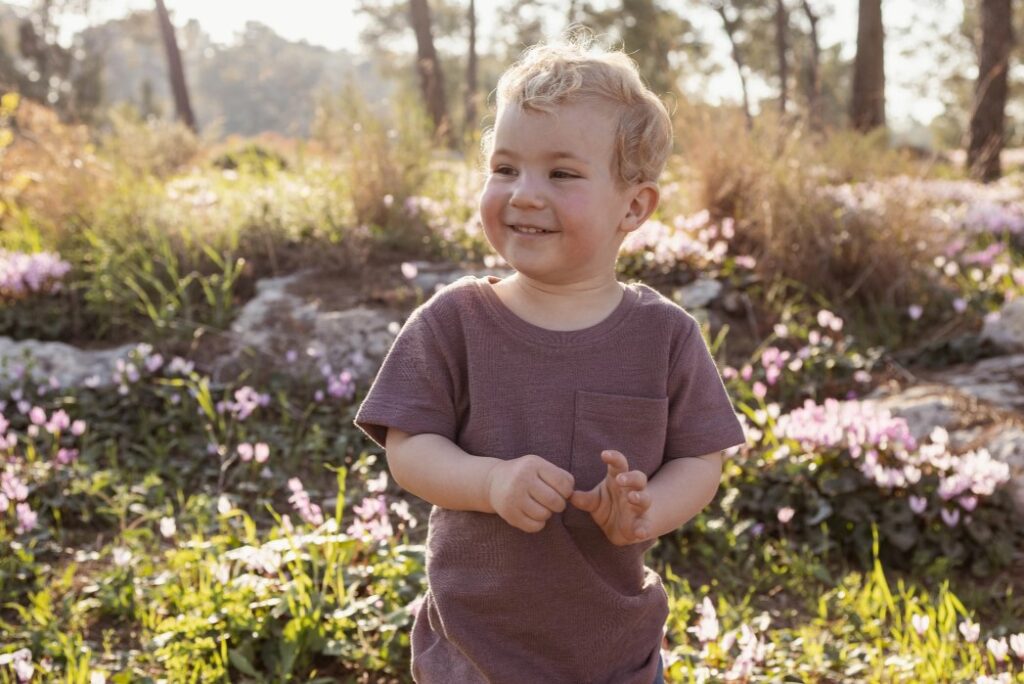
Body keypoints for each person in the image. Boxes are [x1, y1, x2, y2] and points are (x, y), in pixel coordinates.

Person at [355, 31, 746, 684]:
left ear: (634, 205)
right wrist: (490, 482)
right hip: (475, 649)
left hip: (612, 650)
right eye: (505, 168)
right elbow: (409, 448)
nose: (524, 193)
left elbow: (700, 460)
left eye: (561, 173)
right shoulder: (455, 322)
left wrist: (648, 508)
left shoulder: (666, 337)